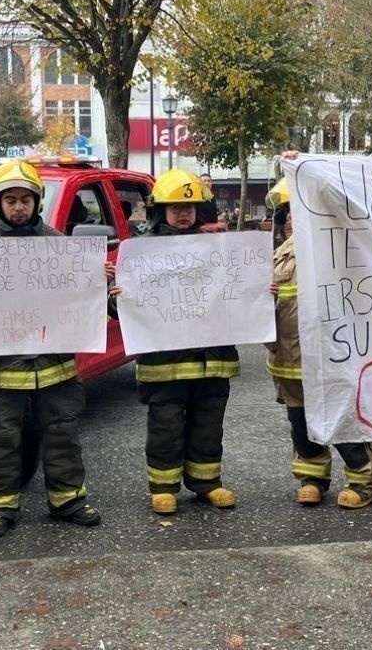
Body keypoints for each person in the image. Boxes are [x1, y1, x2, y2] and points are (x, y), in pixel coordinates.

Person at [0, 159, 102, 538]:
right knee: (0, 437)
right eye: (11, 199)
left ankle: (68, 500)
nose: (19, 206)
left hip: (53, 364)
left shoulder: (60, 247)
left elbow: (79, 300)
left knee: (62, 431)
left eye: (26, 199)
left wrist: (97, 281)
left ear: (37, 202)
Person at [265, 177, 372, 508]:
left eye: (300, 211)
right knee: (301, 426)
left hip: (333, 359)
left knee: (343, 422)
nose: (292, 218)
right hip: (288, 361)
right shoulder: (278, 256)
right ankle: (312, 477)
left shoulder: (342, 249)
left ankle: (365, 480)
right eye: (288, 213)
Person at [132, 168, 238, 515]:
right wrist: (118, 296)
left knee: (209, 422)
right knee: (166, 424)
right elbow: (123, 309)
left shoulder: (220, 250)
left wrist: (258, 293)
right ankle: (163, 487)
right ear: (159, 210)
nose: (183, 214)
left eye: (189, 208)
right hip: (165, 364)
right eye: (175, 206)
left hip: (212, 358)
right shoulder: (142, 252)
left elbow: (239, 295)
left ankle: (207, 483)